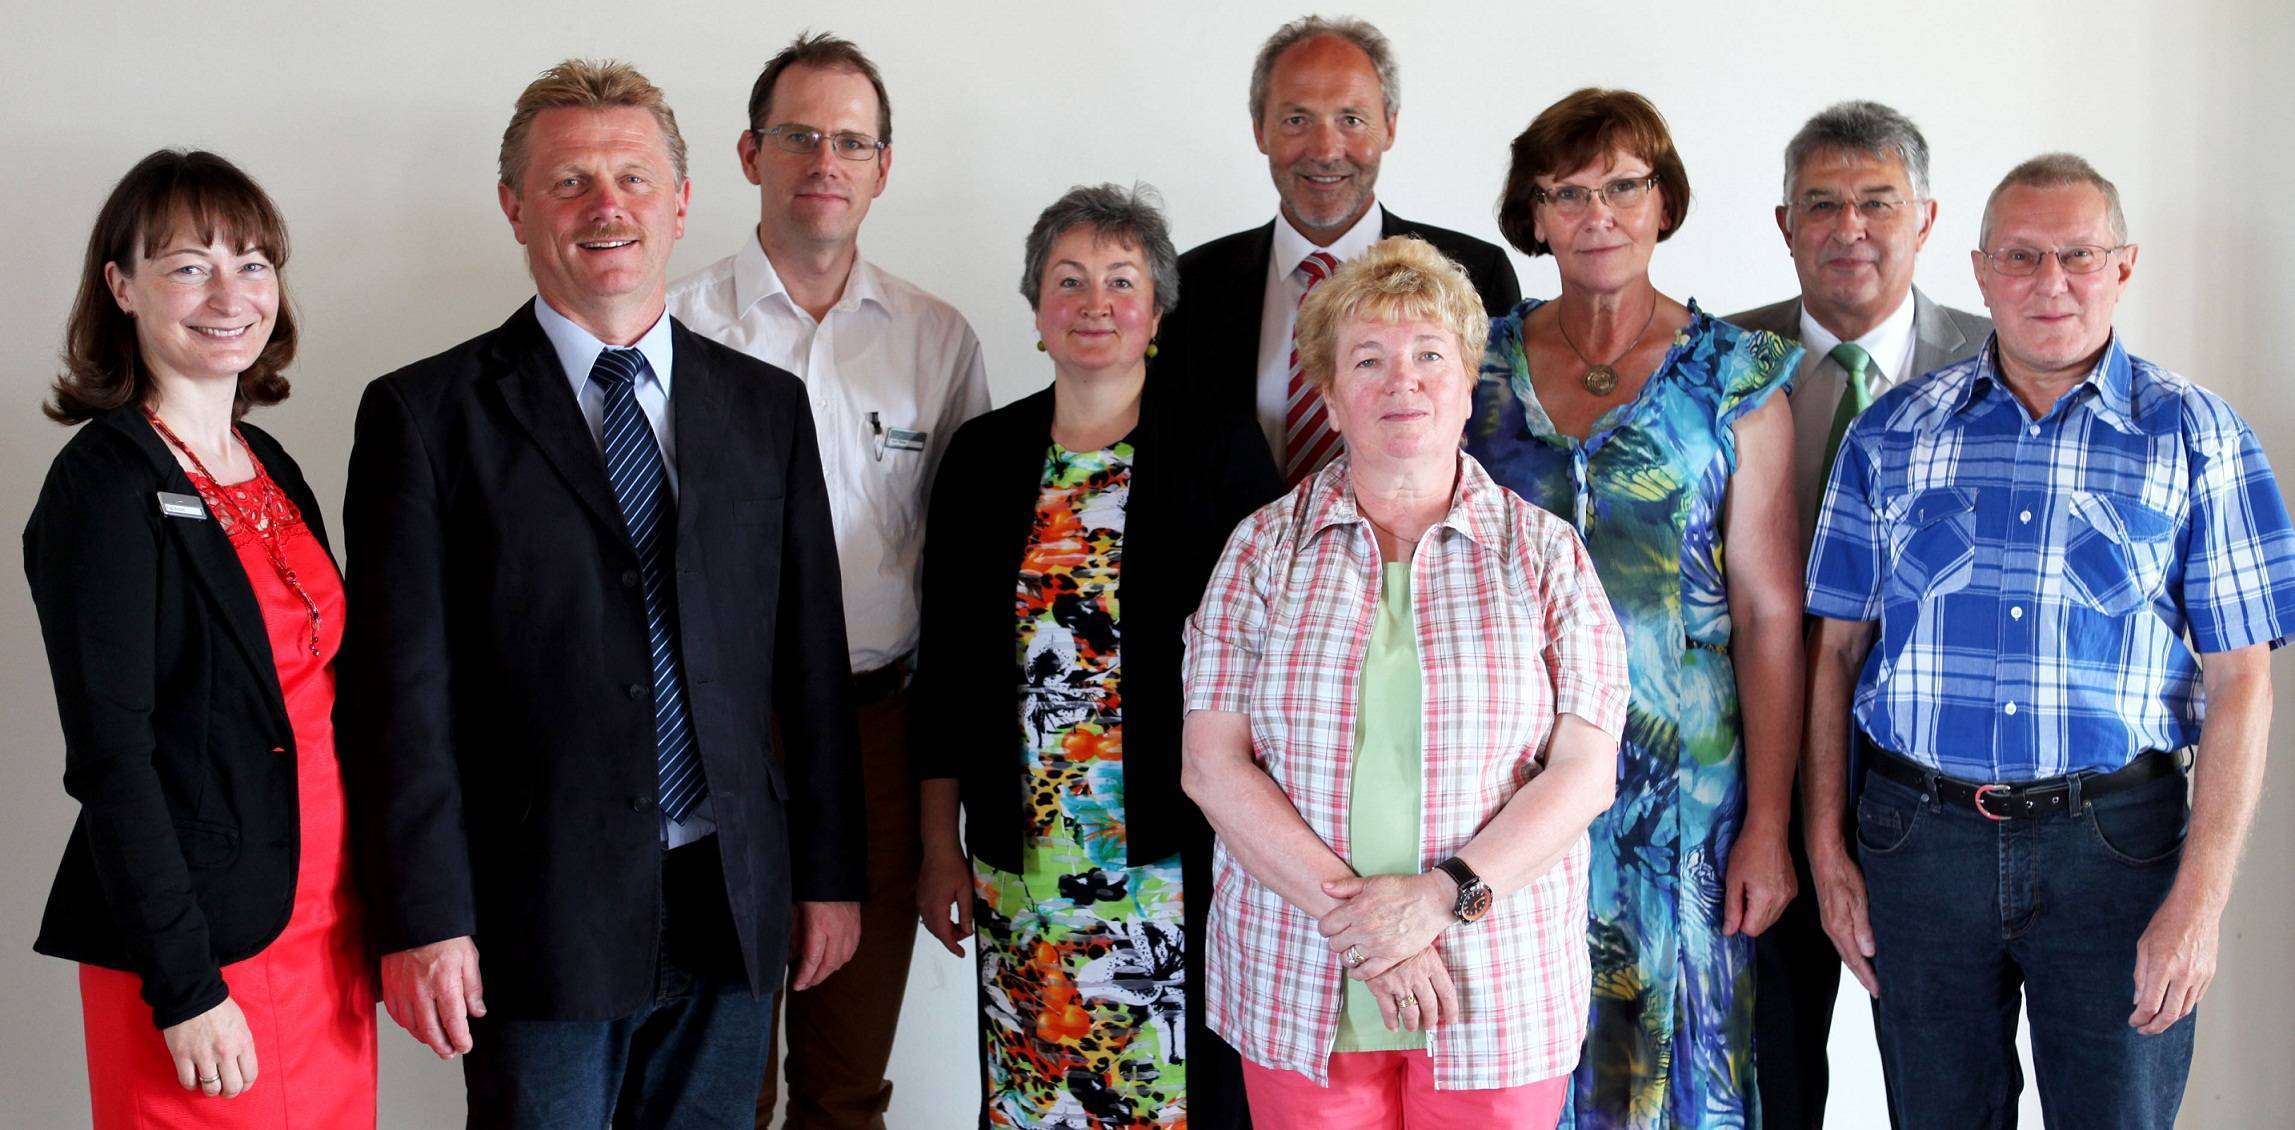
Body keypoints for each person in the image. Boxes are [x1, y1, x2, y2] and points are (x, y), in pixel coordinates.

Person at [339, 59, 864, 1127]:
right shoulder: (426, 417)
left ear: (679, 202)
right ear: (515, 208)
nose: (606, 205)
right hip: (536, 911)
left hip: (734, 898)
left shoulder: (765, 409)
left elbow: (810, 665)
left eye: (632, 176)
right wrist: (421, 918)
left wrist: (829, 872)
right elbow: (399, 701)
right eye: (571, 180)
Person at [1804, 153, 2295, 1129]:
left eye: (2078, 254)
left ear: (2124, 264)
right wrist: (1827, 848)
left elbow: (2243, 681)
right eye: (2022, 256)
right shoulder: (1892, 433)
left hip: (2116, 846)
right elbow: (1836, 657)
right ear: (1981, 269)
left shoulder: (2199, 438)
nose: (2050, 281)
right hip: (1919, 843)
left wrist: (2198, 903)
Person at [1183, 235, 1628, 1127]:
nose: (1404, 381)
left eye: (1430, 355)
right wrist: (1368, 931)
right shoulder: (1258, 552)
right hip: (1300, 976)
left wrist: (1434, 901)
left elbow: (1585, 771)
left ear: (1468, 384)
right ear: (1329, 391)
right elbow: (1211, 766)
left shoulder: (1546, 555)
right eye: (1369, 360)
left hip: (1495, 989)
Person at [665, 32, 990, 1129]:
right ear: (751, 152)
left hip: (876, 733)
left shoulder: (938, 341)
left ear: (884, 167)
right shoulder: (673, 327)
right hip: (717, 738)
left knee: (846, 1077)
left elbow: (963, 572)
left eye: (851, 140)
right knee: (715, 1072)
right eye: (800, 135)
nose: (825, 160)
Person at [1465, 89, 1806, 1129]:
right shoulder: (1467, 366)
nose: (1597, 212)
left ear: (1665, 203)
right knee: (1510, 1065)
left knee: (1672, 1077)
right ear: (1533, 215)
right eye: (1568, 192)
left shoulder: (1734, 377)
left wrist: (1771, 825)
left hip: (1683, 810)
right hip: (1503, 788)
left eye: (1624, 185)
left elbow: (1768, 614)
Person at [913, 183, 1282, 1128]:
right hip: (1020, 859)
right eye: (1068, 280)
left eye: (1121, 281)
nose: (1094, 303)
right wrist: (935, 850)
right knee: (1041, 1096)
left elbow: (1260, 661)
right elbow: (947, 671)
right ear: (1036, 308)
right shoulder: (983, 456)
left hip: (1173, 852)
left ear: (1156, 309)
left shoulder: (1219, 449)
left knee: (1177, 1099)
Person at [26, 149, 376, 1128]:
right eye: (189, 264)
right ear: (121, 286)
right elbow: (113, 756)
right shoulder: (102, 487)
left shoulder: (268, 462)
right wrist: (183, 982)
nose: (230, 292)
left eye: (254, 262)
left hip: (325, 928)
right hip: (202, 948)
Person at [1723, 100, 1990, 1130]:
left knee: (1940, 1078)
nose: (1850, 228)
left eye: (1878, 202)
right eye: (1822, 204)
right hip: (1754, 770)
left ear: (1924, 220)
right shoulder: (1718, 362)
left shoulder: (1998, 358)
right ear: (1785, 223)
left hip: (1938, 787)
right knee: (1769, 1070)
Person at [1153, 14, 1520, 486]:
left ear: (1388, 127)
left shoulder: (1475, 275)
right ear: (1260, 130)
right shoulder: (1190, 284)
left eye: (1351, 119)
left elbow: (1499, 455)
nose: (1325, 150)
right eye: (1296, 120)